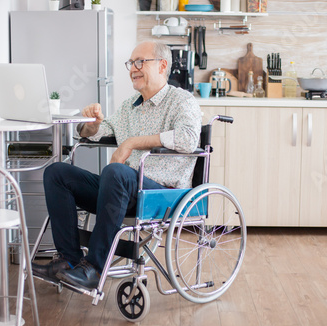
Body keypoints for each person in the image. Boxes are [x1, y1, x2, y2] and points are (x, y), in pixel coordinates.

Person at [32, 41, 202, 289]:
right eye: (131, 63)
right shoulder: (129, 106)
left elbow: (187, 138)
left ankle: (94, 269)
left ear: (162, 65)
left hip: (161, 193)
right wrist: (93, 122)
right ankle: (69, 260)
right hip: (123, 188)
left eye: (140, 62)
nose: (133, 68)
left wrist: (132, 142)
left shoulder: (182, 101)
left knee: (116, 171)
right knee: (57, 173)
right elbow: (98, 133)